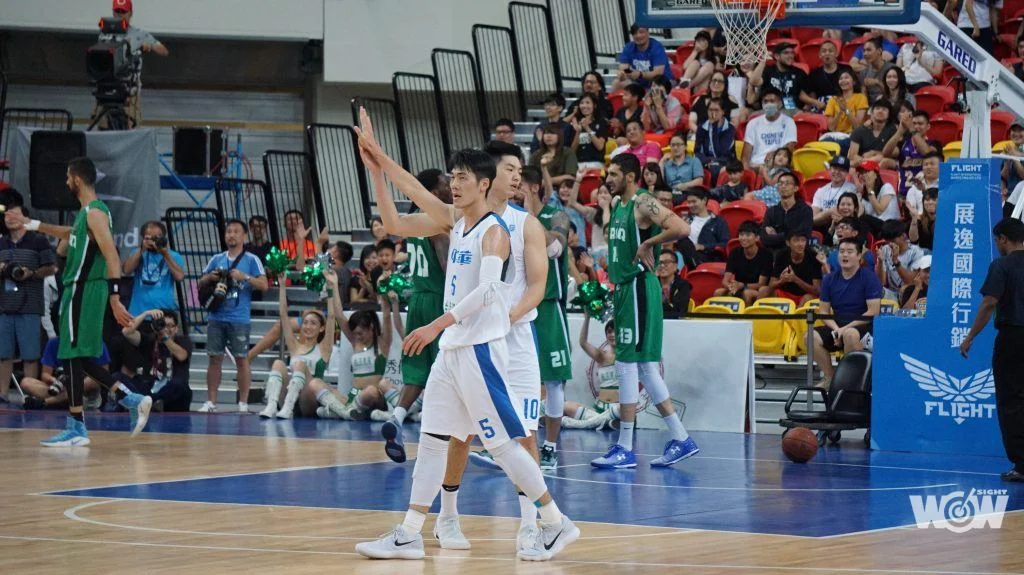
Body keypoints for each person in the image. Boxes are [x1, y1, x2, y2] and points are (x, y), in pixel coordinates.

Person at [354, 109, 578, 561]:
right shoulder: (458, 222)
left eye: (461, 177)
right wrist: (375, 164)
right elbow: (409, 196)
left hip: (481, 349)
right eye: (452, 177)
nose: (453, 184)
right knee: (434, 439)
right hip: (453, 350)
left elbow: (490, 290)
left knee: (504, 444)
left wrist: (437, 324)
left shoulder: (498, 231)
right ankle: (410, 531)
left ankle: (554, 522)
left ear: (482, 183)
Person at [10, 157, 151, 445]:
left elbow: (113, 256)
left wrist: (115, 298)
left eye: (67, 177)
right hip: (82, 290)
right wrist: (32, 224)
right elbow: (69, 234)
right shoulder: (87, 213)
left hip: (85, 289)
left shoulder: (95, 213)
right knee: (77, 357)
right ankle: (126, 400)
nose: (65, 182)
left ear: (76, 178)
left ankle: (81, 424)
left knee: (73, 355)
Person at [591, 152, 698, 469]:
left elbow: (681, 227)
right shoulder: (618, 204)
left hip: (638, 287)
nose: (608, 179)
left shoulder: (642, 202)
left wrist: (649, 244)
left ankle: (625, 447)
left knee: (626, 365)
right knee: (646, 368)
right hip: (626, 289)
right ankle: (681, 438)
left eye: (613, 174)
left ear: (629, 176)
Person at [377, 168, 452, 463]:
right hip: (438, 301)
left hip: (417, 301)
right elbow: (448, 268)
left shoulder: (414, 221)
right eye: (445, 183)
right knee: (448, 369)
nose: (451, 186)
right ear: (433, 191)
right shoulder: (436, 223)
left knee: (418, 370)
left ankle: (397, 416)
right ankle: (445, 433)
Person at [960, 218, 1024, 483]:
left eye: (997, 240)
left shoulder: (1002, 265)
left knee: (1012, 400)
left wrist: (970, 336)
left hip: (1013, 338)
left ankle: (1021, 463)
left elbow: (989, 303)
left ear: (1003, 239)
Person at [526, 160, 574, 471]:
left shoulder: (556, 216)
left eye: (519, 185)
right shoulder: (509, 219)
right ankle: (519, 445)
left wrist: (529, 217)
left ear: (532, 188)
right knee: (518, 379)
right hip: (521, 308)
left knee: (554, 380)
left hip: (548, 306)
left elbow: (556, 246)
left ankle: (550, 448)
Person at [196, 219, 269, 413]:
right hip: (216, 316)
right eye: (229, 231)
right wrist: (211, 277)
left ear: (244, 236)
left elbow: (264, 285)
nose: (231, 235)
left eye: (236, 231)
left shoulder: (252, 259)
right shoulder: (216, 258)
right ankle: (211, 402)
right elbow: (200, 282)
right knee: (214, 359)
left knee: (241, 359)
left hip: (239, 318)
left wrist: (244, 277)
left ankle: (243, 403)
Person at [257, 270, 337, 419]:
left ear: (321, 328)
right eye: (305, 322)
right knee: (278, 363)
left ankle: (288, 408)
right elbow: (283, 314)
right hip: (290, 398)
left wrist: (331, 290)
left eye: (313, 323)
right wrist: (282, 286)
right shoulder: (295, 345)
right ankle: (271, 406)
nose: (308, 326)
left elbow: (332, 317)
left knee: (300, 365)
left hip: (309, 400)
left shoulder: (324, 348)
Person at [0, 204, 57, 402]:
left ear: (25, 218)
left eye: (14, 214)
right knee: (3, 354)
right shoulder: (1, 242)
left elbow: (51, 268)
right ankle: (2, 394)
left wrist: (31, 273)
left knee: (30, 355)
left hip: (30, 306)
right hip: (4, 306)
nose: (9, 217)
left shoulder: (38, 240)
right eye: (7, 215)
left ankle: (30, 395)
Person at [812, 237, 882, 387]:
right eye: (842, 251)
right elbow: (823, 311)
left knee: (850, 334)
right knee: (811, 336)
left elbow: (873, 311)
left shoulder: (869, 277)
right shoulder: (829, 279)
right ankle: (831, 378)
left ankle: (852, 383)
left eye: (850, 252)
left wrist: (844, 330)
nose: (845, 255)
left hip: (864, 327)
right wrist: (836, 329)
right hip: (838, 326)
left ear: (859, 256)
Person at [93, 0, 169, 128]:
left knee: (130, 126)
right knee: (104, 127)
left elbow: (164, 51)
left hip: (129, 89)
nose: (119, 15)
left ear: (130, 13)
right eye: (117, 11)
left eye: (123, 12)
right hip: (106, 86)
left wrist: (150, 46)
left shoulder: (139, 34)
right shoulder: (104, 34)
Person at [119, 309, 193, 412]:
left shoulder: (183, 341)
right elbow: (126, 332)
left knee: (180, 385)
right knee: (117, 377)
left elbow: (182, 356)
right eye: (163, 325)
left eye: (170, 326)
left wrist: (164, 337)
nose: (166, 329)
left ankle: (151, 402)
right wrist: (145, 314)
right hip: (149, 388)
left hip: (172, 391)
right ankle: (151, 402)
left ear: (176, 329)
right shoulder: (149, 340)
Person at [18, 338, 109, 411]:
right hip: (60, 388)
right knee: (26, 382)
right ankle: (65, 401)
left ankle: (45, 402)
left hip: (84, 389)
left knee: (93, 380)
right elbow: (45, 374)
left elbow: (104, 374)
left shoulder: (96, 342)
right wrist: (56, 381)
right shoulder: (54, 342)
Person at [123, 221, 185, 316]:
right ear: (143, 238)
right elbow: (126, 270)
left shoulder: (174, 256)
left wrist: (165, 254)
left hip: (163, 311)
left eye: (156, 238)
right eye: (149, 238)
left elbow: (180, 276)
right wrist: (141, 249)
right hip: (138, 312)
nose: (153, 241)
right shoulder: (137, 253)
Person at [716, 221, 773, 305]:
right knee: (719, 292)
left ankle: (748, 313)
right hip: (739, 287)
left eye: (748, 235)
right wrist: (731, 287)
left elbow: (761, 284)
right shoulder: (734, 252)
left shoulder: (766, 255)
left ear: (757, 238)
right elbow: (725, 281)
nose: (743, 238)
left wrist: (743, 286)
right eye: (741, 235)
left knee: (747, 293)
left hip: (757, 290)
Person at [742, 87, 797, 170]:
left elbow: (788, 151)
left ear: (780, 104)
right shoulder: (753, 123)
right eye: (765, 101)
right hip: (755, 167)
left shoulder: (789, 122)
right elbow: (745, 157)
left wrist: (774, 157)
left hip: (778, 166)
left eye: (772, 101)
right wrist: (747, 172)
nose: (768, 104)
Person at [761, 231, 822, 304]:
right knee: (763, 290)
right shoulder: (781, 255)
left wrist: (795, 279)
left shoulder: (813, 257)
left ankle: (798, 311)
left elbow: (816, 291)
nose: (800, 244)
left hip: (804, 296)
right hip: (785, 294)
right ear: (788, 243)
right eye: (796, 240)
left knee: (807, 298)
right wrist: (781, 281)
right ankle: (755, 311)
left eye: (803, 240)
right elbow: (771, 285)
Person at [614, 24, 673, 91]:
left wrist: (640, 74)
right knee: (617, 83)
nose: (638, 36)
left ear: (648, 33)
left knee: (656, 87)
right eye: (635, 33)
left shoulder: (657, 47)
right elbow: (623, 68)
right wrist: (623, 73)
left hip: (661, 82)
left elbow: (658, 74)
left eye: (641, 32)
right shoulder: (629, 47)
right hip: (638, 83)